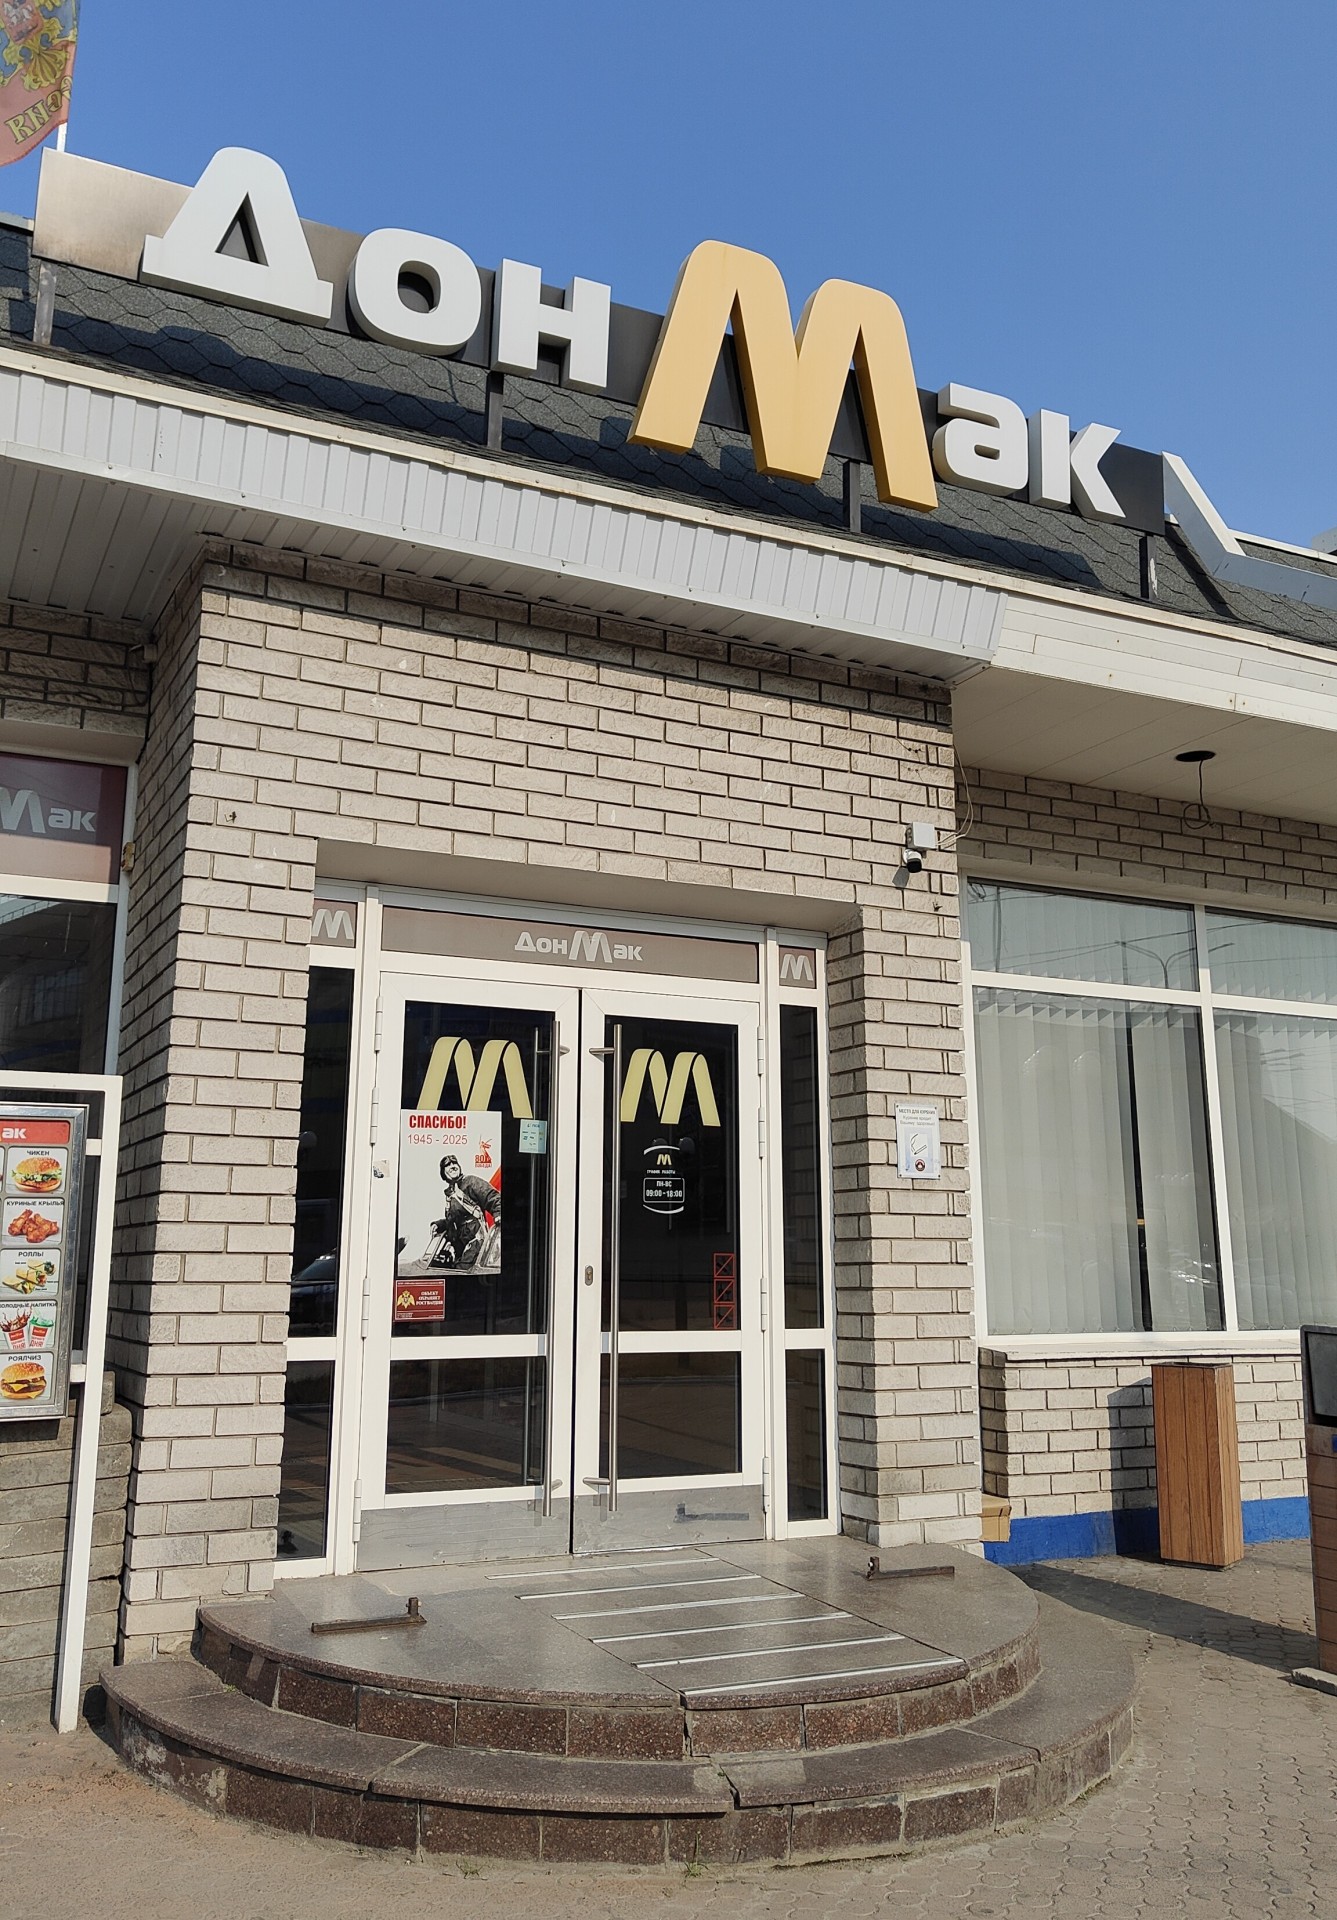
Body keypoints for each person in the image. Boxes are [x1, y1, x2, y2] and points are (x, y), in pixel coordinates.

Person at [429, 1153, 500, 1271]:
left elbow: (492, 1197)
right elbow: (453, 1220)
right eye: (448, 1165)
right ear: (443, 1173)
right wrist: (439, 1224)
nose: (452, 1166)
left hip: (476, 1240)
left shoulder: (471, 1182)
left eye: (454, 1163)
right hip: (460, 1245)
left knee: (463, 1270)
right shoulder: (451, 1195)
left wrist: (498, 1212)